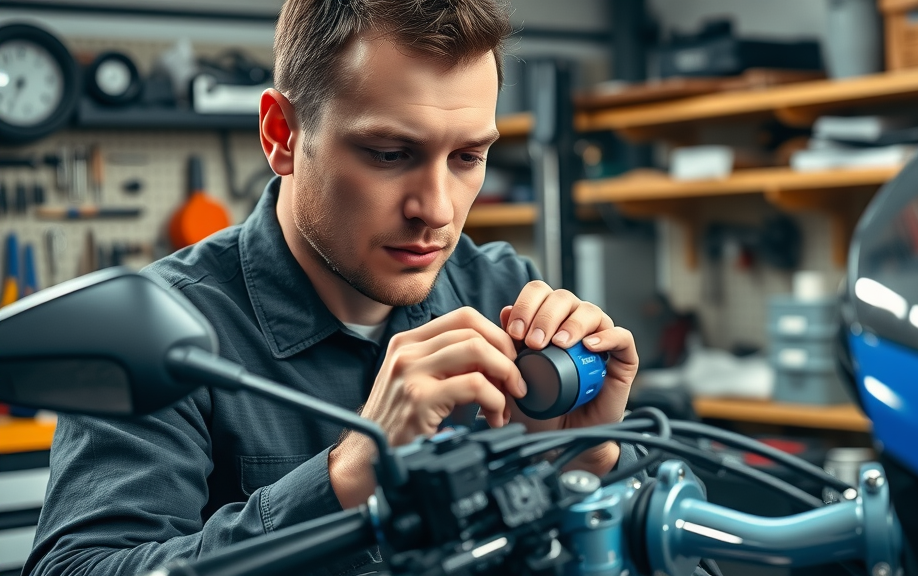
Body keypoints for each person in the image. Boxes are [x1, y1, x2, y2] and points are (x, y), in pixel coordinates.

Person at [25, 1, 642, 575]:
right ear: (281, 135)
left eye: (466, 158)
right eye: (389, 153)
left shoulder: (502, 289)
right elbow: (78, 567)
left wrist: (588, 464)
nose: (437, 210)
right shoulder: (157, 331)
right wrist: (342, 482)